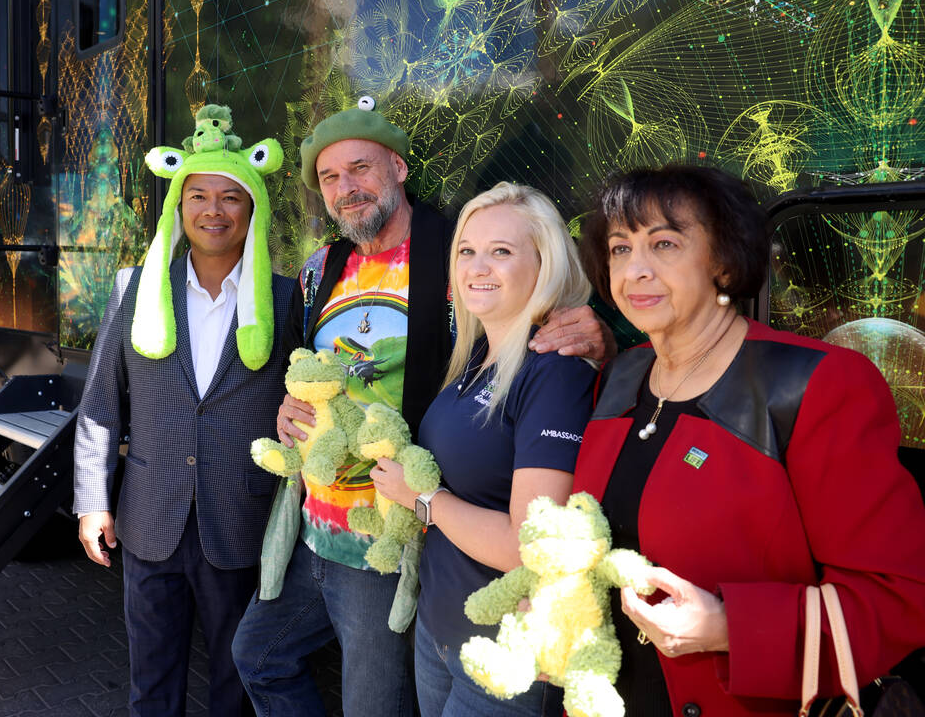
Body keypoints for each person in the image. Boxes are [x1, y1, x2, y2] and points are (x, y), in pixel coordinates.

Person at [231, 100, 612, 717]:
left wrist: (596, 334)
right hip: (314, 524)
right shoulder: (320, 269)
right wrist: (289, 413)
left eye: (361, 168)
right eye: (330, 178)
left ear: (400, 167)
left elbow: (533, 324)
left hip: (392, 536)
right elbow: (313, 371)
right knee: (259, 657)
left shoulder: (452, 256)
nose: (346, 188)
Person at [574, 164, 925, 716]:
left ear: (721, 259)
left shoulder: (817, 385)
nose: (634, 270)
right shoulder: (618, 378)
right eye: (620, 248)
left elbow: (897, 601)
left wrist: (727, 626)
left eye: (664, 244)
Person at [73, 105, 294, 716]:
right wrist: (93, 500)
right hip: (150, 519)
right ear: (178, 204)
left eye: (231, 197)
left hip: (239, 519)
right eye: (198, 195)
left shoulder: (282, 298)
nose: (213, 210)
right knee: (152, 682)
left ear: (252, 211)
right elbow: (100, 405)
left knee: (236, 682)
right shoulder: (134, 288)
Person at [371, 182, 597, 717]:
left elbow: (530, 546)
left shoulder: (554, 373)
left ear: (545, 265)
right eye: (467, 251)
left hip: (506, 657)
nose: (477, 266)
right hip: (439, 635)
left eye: (502, 252)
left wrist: (423, 498)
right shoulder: (475, 359)